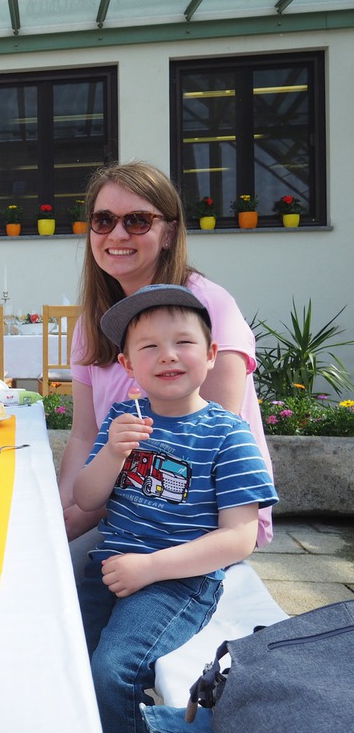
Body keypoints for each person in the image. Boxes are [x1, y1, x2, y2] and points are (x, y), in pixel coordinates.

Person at [74, 284, 277, 733]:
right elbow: (86, 498)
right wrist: (112, 453)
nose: (167, 355)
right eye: (149, 346)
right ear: (128, 364)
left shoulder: (228, 435)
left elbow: (239, 538)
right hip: (110, 567)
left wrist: (150, 567)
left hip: (181, 582)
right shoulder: (123, 420)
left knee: (113, 670)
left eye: (183, 341)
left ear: (211, 354)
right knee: (64, 653)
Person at [60, 161, 275, 548]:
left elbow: (201, 449)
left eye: (137, 220)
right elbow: (83, 436)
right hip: (123, 506)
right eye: (103, 220)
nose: (117, 234)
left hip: (201, 519)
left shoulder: (209, 308)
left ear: (169, 233)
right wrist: (62, 509)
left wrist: (82, 517)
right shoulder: (94, 322)